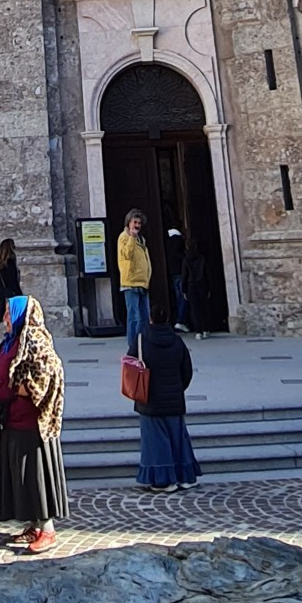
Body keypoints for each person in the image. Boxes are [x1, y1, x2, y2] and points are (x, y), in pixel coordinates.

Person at [0, 293, 68, 555]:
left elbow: (48, 373)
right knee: (20, 475)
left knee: (35, 476)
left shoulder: (36, 339)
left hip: (31, 424)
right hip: (10, 420)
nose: (4, 318)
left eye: (9, 313)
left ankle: (47, 529)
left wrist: (23, 388)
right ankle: (34, 524)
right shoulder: (11, 340)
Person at [134, 318, 199, 492]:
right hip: (174, 399)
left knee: (156, 442)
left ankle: (163, 480)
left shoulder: (142, 340)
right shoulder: (177, 341)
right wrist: (178, 389)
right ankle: (185, 476)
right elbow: (187, 370)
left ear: (150, 319)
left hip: (150, 400)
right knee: (179, 439)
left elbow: (130, 365)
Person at [116, 210, 152, 349]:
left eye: (139, 223)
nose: (137, 225)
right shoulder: (124, 237)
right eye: (134, 222)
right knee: (134, 317)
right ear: (128, 222)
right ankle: (132, 347)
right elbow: (127, 255)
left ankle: (143, 345)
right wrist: (131, 236)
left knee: (144, 318)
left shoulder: (141, 239)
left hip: (143, 282)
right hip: (130, 282)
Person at [0, 237, 23, 349]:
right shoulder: (10, 262)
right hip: (10, 294)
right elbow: (12, 281)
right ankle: (14, 340)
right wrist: (19, 294)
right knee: (15, 317)